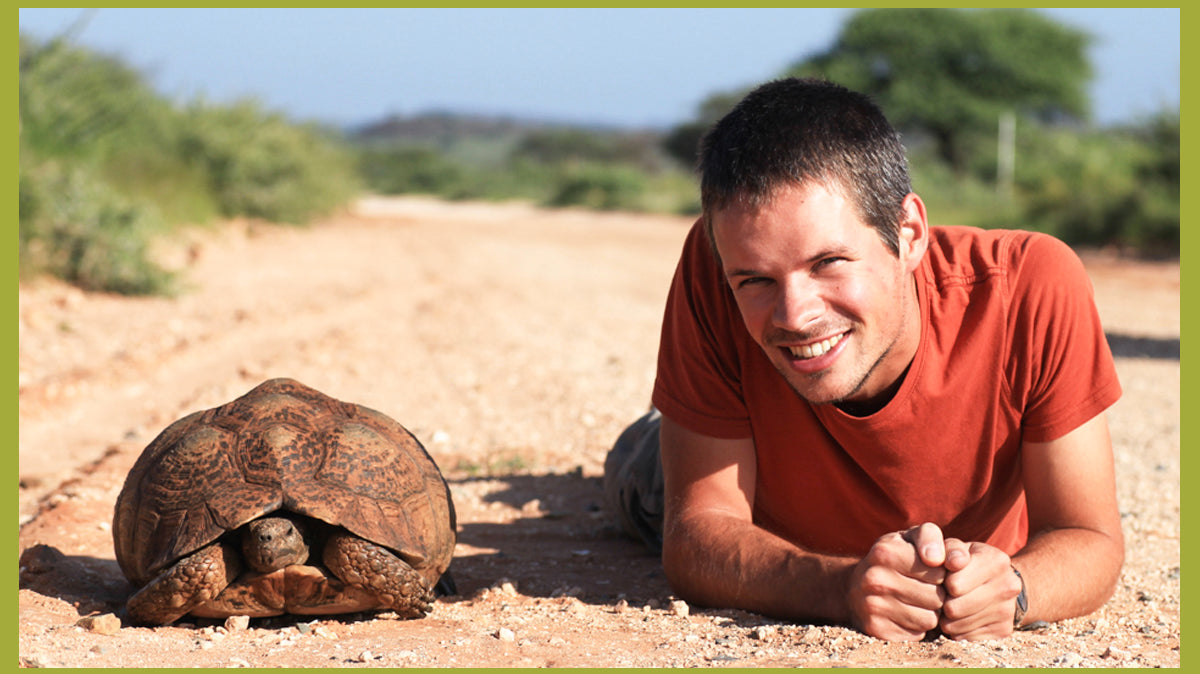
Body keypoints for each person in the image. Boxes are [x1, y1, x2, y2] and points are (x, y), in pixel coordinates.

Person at [603, 78, 1124, 642]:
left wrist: (1013, 589)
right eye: (755, 280)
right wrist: (842, 588)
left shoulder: (1028, 286)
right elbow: (697, 532)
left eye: (827, 262)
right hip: (729, 467)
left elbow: (1087, 536)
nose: (794, 315)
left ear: (911, 234)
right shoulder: (712, 260)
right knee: (644, 474)